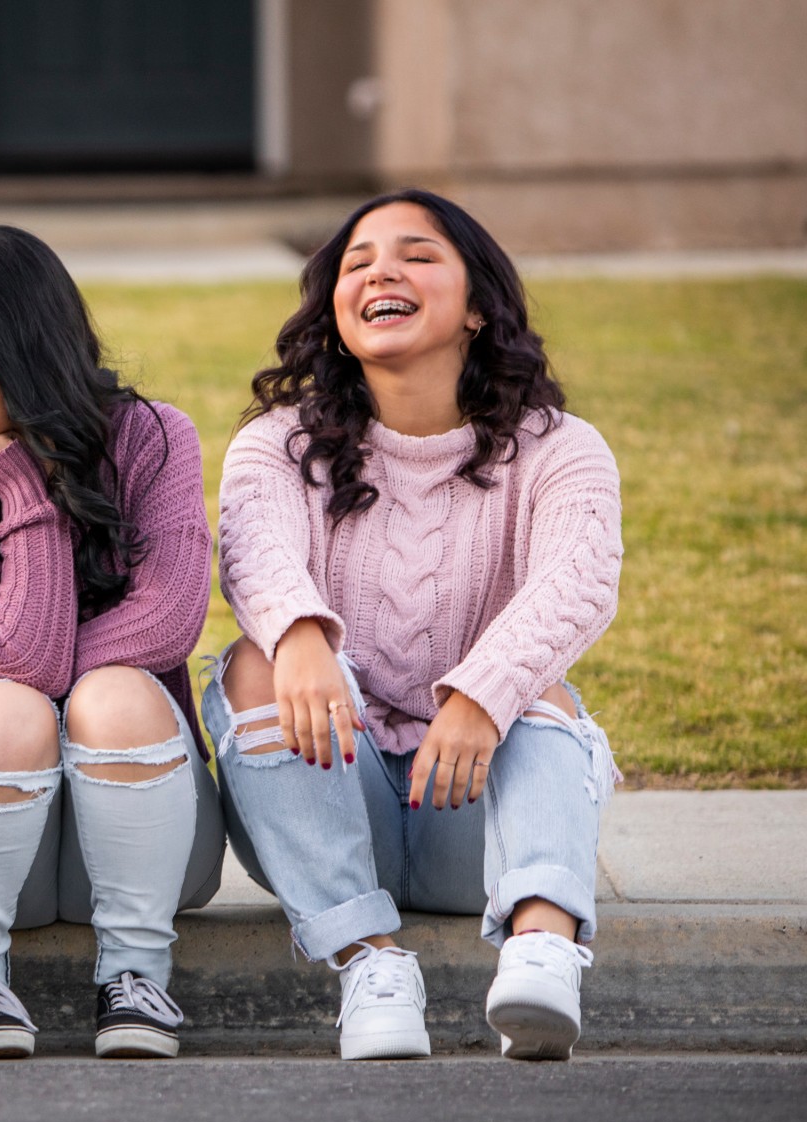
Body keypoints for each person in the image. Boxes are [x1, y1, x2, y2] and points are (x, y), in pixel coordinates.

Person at [201, 189, 623, 1061]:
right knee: (253, 661)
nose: (381, 273)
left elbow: (577, 584)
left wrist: (480, 697)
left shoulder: (560, 448)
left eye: (417, 255)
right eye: (357, 263)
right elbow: (255, 554)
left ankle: (543, 951)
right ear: (336, 311)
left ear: (476, 307)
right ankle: (370, 964)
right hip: (328, 795)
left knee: (542, 690)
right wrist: (300, 637)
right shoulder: (278, 444)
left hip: (473, 809)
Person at [0, 225, 224, 1061]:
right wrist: (25, 495)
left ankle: (138, 979)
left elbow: (169, 623)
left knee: (104, 693)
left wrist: (15, 676)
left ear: (25, 352)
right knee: (6, 710)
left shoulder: (151, 439)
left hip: (154, 843)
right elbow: (24, 667)